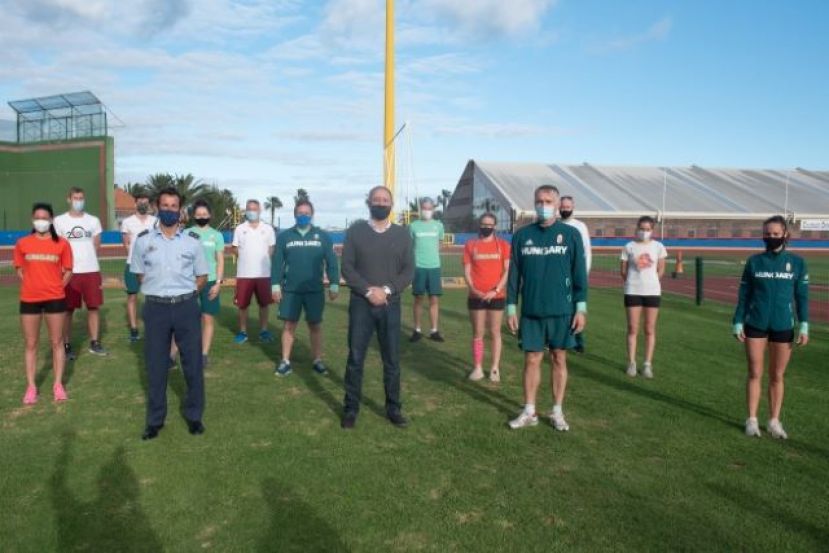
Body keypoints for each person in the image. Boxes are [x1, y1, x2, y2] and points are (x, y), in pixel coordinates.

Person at [506, 185, 587, 432]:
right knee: (531, 359)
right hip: (531, 310)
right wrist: (511, 308)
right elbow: (514, 275)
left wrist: (580, 308)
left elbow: (579, 274)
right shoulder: (521, 235)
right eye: (539, 200)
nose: (544, 205)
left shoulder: (570, 234)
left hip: (562, 310)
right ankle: (529, 411)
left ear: (557, 203)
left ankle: (557, 411)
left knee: (559, 358)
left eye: (548, 200)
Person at [131, 187, 209, 440]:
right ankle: (155, 421)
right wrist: (160, 292)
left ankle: (195, 417)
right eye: (164, 205)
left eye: (173, 206)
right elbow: (141, 274)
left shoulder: (192, 242)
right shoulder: (143, 241)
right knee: (155, 366)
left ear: (180, 210)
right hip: (156, 308)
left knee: (193, 364)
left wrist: (183, 295)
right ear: (157, 207)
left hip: (186, 306)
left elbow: (202, 277)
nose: (168, 210)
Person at [341, 186, 414, 429]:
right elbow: (347, 268)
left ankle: (393, 408)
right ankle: (350, 408)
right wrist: (369, 291)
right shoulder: (355, 231)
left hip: (390, 305)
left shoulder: (403, 235)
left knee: (392, 360)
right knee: (356, 358)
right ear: (369, 202)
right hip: (361, 304)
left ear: (392, 204)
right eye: (377, 200)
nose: (381, 203)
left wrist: (387, 290)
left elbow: (408, 271)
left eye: (385, 200)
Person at [733, 215, 809, 439]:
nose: (771, 237)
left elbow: (802, 297)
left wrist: (804, 325)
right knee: (755, 372)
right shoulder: (754, 262)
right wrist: (738, 320)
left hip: (783, 326)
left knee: (777, 375)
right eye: (767, 233)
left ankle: (774, 421)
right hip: (755, 324)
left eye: (776, 234)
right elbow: (744, 295)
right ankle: (752, 420)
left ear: (785, 235)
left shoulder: (797, 262)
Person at [271, 200, 340, 377]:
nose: (303, 215)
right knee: (288, 325)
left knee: (315, 325)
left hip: (314, 290)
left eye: (307, 213)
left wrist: (334, 283)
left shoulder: (322, 236)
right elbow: (277, 262)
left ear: (312, 214)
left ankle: (317, 360)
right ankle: (285, 361)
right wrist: (275, 285)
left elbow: (332, 262)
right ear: (295, 214)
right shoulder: (285, 236)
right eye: (300, 212)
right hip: (291, 290)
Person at [14, 203, 73, 404]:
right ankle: (31, 387)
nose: (41, 221)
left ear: (51, 220)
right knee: (31, 344)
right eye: (37, 217)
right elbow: (20, 270)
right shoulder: (22, 243)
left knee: (56, 342)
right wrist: (33, 285)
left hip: (55, 299)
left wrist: (56, 287)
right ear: (33, 219)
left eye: (45, 217)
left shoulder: (62, 244)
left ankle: (58, 385)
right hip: (29, 299)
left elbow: (68, 270)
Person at [53, 187, 107, 358]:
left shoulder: (93, 221)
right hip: (69, 272)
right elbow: (57, 247)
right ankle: (66, 345)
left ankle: (94, 343)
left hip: (91, 270)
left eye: (81, 198)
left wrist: (87, 258)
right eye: (76, 198)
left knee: (93, 307)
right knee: (68, 310)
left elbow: (97, 244)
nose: (79, 201)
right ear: (69, 199)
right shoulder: (59, 221)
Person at [462, 212, 510, 383]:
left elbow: (506, 271)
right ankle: (478, 367)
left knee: (495, 332)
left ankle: (495, 368)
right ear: (479, 225)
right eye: (484, 224)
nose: (487, 227)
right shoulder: (471, 245)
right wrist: (474, 289)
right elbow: (467, 271)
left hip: (497, 296)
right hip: (476, 296)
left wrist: (496, 290)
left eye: (490, 225)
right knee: (478, 333)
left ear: (495, 227)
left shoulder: (503, 245)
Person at [620, 216, 667, 379]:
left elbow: (661, 268)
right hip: (633, 290)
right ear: (636, 228)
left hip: (652, 292)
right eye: (642, 228)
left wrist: (652, 281)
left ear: (652, 230)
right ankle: (632, 362)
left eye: (647, 229)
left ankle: (647, 364)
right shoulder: (629, 247)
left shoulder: (658, 247)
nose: (644, 232)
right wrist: (633, 283)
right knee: (633, 328)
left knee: (649, 328)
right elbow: (623, 270)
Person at [232, 199, 276, 344]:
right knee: (243, 305)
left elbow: (271, 249)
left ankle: (263, 330)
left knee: (264, 304)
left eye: (254, 209)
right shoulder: (239, 229)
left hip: (263, 274)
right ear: (246, 210)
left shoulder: (268, 229)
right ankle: (243, 332)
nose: (251, 211)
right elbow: (235, 248)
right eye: (249, 209)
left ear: (259, 210)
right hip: (244, 274)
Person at [189, 199, 225, 367]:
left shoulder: (217, 235)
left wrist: (218, 283)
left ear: (210, 215)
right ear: (193, 216)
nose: (201, 216)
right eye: (198, 214)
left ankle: (203, 354)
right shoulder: (187, 233)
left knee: (207, 318)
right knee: (187, 318)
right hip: (190, 282)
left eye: (204, 214)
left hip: (210, 282)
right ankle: (174, 354)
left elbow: (220, 261)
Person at [120, 192, 157, 342]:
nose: (143, 204)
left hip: (152, 265)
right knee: (132, 297)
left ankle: (154, 327)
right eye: (140, 201)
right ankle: (134, 330)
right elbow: (126, 244)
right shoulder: (127, 222)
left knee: (153, 298)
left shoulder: (155, 221)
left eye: (146, 202)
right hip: (132, 264)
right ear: (135, 204)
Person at [409, 197, 445, 342]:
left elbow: (440, 243)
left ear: (433, 210)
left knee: (434, 299)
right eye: (424, 208)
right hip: (418, 267)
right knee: (418, 298)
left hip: (434, 267)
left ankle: (434, 330)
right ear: (420, 209)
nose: (427, 211)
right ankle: (417, 329)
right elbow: (409, 246)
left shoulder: (439, 226)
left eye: (429, 208)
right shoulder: (413, 226)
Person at [559, 195, 592, 353]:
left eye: (567, 207)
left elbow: (587, 251)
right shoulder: (556, 225)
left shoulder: (580, 226)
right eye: (563, 207)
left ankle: (578, 340)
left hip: (575, 274)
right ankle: (555, 336)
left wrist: (583, 274)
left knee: (576, 306)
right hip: (558, 275)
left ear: (573, 207)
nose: (565, 209)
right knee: (559, 306)